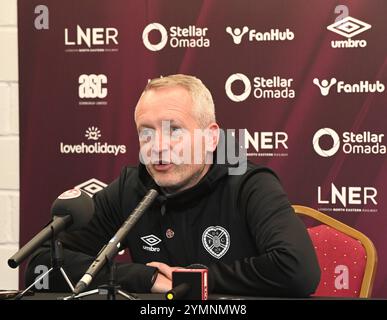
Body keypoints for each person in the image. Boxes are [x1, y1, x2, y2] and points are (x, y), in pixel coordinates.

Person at [26, 74, 320, 297]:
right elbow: (41, 266)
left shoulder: (249, 184)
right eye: (146, 133)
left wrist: (191, 282)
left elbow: (298, 270)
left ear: (211, 137)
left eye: (174, 130)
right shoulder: (132, 187)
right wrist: (144, 277)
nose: (158, 147)